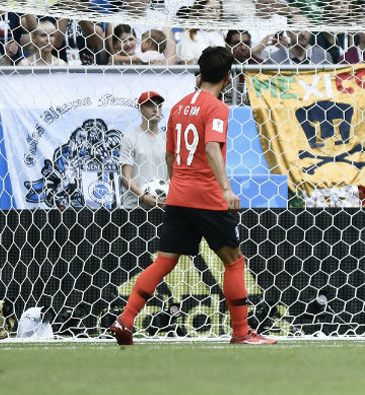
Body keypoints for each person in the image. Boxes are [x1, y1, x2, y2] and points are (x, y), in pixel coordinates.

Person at [108, 46, 278, 346]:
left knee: (163, 261)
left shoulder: (178, 107)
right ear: (227, 78)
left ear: (200, 72)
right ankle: (241, 333)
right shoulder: (216, 108)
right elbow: (212, 148)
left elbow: (171, 156)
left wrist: (177, 188)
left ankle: (125, 319)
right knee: (234, 262)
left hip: (179, 195)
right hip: (207, 196)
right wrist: (226, 189)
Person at [119, 90, 168, 209]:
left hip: (161, 206)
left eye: (159, 106)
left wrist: (167, 195)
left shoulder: (168, 138)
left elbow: (174, 173)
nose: (156, 110)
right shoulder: (130, 138)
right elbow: (126, 176)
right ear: (141, 110)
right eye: (150, 105)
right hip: (135, 207)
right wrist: (143, 197)